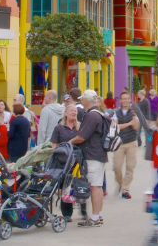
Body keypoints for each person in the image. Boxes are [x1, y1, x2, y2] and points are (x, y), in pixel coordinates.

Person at [69, 90, 108, 227]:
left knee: (95, 186)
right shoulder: (98, 114)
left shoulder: (91, 116)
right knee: (97, 186)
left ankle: (95, 218)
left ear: (86, 100)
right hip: (99, 154)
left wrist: (69, 142)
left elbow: (82, 137)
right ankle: (98, 215)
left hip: (93, 154)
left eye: (82, 99)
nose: (81, 102)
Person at [51, 104, 86, 222]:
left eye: (75, 111)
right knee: (66, 187)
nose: (73, 113)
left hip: (77, 162)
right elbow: (54, 146)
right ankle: (67, 214)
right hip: (63, 162)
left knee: (80, 185)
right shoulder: (58, 128)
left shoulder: (80, 128)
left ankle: (83, 211)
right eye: (71, 111)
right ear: (65, 113)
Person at [112, 91, 149, 199]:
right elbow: (116, 126)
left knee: (130, 167)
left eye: (128, 98)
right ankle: (120, 183)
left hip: (131, 142)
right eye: (124, 98)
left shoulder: (134, 112)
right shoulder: (116, 112)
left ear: (130, 100)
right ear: (120, 100)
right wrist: (128, 123)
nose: (126, 101)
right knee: (117, 167)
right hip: (119, 143)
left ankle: (125, 190)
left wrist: (133, 117)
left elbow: (136, 126)